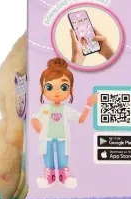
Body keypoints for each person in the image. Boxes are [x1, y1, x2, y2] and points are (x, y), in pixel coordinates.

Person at [30, 58, 98, 188]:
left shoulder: (66, 110)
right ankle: (49, 176)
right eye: (49, 87)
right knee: (48, 159)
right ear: (42, 89)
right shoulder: (45, 109)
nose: (56, 92)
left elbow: (81, 119)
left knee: (62, 159)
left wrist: (88, 105)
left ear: (70, 89)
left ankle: (64, 175)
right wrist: (36, 125)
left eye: (63, 87)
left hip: (62, 139)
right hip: (47, 139)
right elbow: (34, 118)